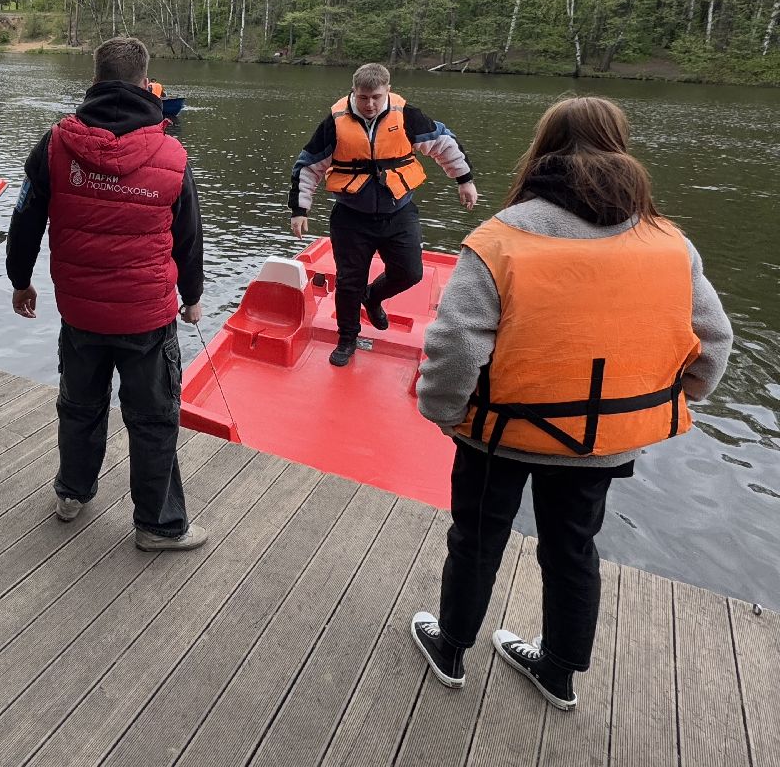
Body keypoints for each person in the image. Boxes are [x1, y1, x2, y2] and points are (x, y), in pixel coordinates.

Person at [408, 96, 731, 711]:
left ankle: (450, 648)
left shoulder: (500, 238)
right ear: (620, 145)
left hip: (495, 435)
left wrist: (442, 409)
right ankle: (558, 671)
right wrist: (677, 395)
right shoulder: (669, 241)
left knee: (475, 540)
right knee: (573, 548)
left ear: (543, 149)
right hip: (600, 440)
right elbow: (715, 341)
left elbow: (454, 345)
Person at [7, 36, 207, 551]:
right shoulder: (171, 152)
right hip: (147, 317)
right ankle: (158, 525)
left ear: (94, 82)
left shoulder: (55, 145)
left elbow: (26, 216)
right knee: (154, 418)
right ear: (146, 84)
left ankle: (72, 493)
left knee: (79, 406)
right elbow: (188, 235)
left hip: (81, 314)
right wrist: (193, 294)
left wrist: (20, 279)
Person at [289, 62, 478, 367]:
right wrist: (300, 210)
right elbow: (308, 166)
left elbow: (444, 144)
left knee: (410, 272)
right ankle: (347, 338)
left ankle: (373, 297)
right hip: (351, 215)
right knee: (350, 281)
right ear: (354, 92)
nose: (370, 104)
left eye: (376, 97)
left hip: (398, 210)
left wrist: (464, 180)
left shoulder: (407, 116)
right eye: (363, 97)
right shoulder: (335, 122)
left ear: (388, 91)